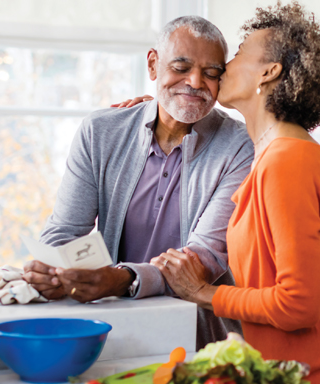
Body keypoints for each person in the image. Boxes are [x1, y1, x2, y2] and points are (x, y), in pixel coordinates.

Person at [146, 3, 320, 383]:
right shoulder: (276, 154)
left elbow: (299, 305)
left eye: (239, 53)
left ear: (269, 73)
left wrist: (203, 292)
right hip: (294, 365)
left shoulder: (286, 161)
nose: (225, 65)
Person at [23, 16, 254, 349]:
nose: (195, 82)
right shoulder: (102, 131)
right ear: (153, 64)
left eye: (211, 73)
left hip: (200, 335)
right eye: (181, 67)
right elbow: (63, 230)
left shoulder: (240, 145)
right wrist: (52, 268)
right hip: (108, 327)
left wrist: (121, 279)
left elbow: (205, 258)